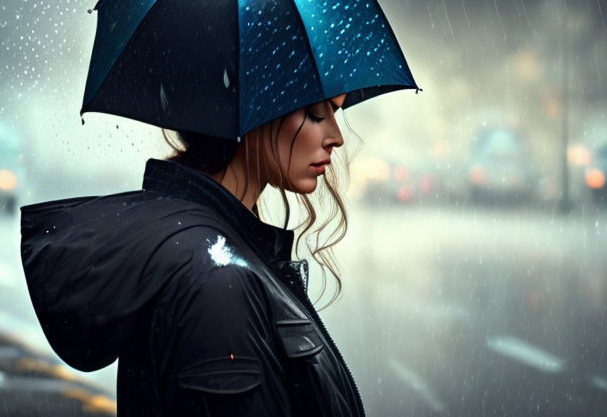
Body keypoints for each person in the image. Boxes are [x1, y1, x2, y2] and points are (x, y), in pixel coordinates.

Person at [20, 92, 365, 416]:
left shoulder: (211, 251)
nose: (336, 136)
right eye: (316, 114)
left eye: (335, 113)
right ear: (252, 112)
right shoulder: (217, 280)